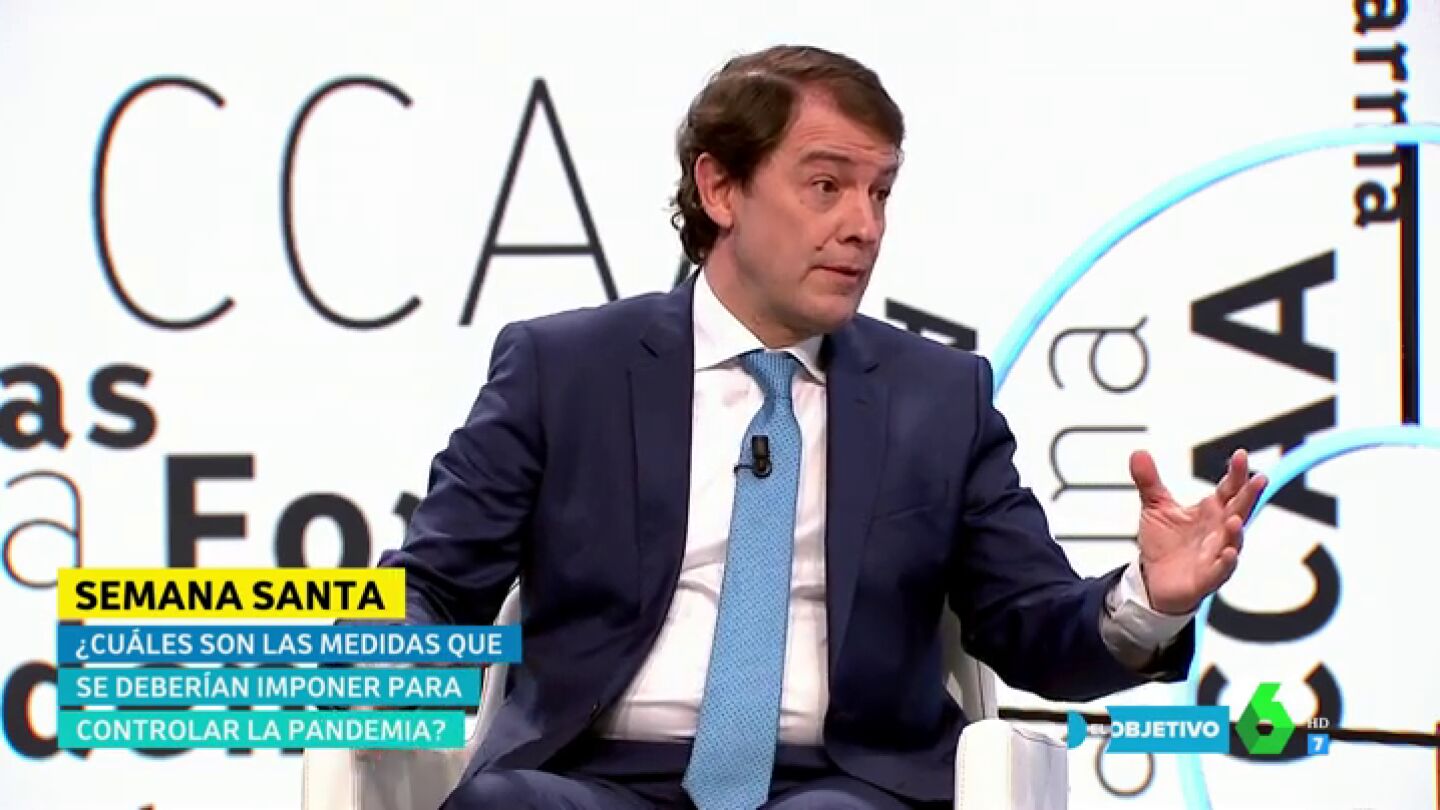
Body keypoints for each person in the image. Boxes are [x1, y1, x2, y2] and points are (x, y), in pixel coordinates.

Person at [381, 45, 1267, 810]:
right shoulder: (564, 369)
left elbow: (1029, 626)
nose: (863, 226)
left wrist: (1151, 600)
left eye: (880, 193)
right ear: (720, 188)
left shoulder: (939, 399)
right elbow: (437, 585)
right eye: (826, 187)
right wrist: (381, 673)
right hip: (590, 777)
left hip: (842, 783)